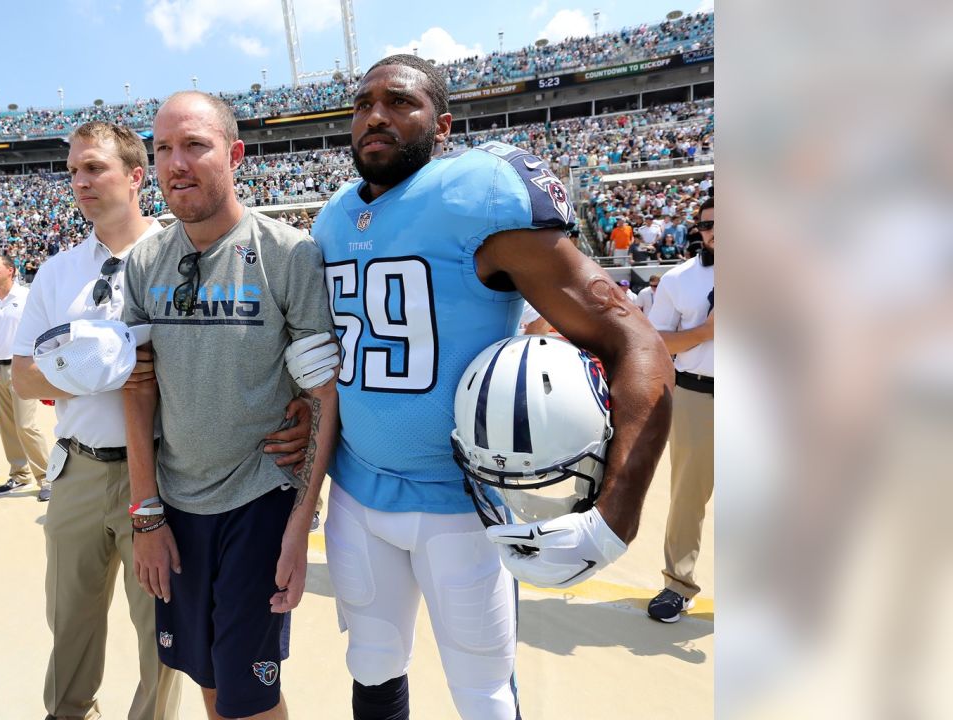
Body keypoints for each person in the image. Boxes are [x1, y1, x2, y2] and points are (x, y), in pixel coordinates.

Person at [304, 54, 674, 719]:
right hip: (357, 494)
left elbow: (635, 343)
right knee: (373, 665)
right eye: (362, 104)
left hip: (464, 509)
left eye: (400, 102)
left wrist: (618, 514)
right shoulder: (330, 218)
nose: (375, 116)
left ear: (441, 126)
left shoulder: (479, 195)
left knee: (483, 695)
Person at [121, 91, 339, 720]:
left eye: (195, 144)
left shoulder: (289, 254)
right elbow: (137, 393)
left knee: (252, 698)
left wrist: (299, 528)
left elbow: (321, 393)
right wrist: (147, 516)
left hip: (259, 502)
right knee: (212, 684)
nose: (176, 163)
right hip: (177, 506)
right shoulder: (144, 261)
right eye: (163, 148)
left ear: (235, 154)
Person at [10, 121, 188, 720]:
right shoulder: (59, 270)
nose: (79, 181)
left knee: (160, 636)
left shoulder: (184, 258)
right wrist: (104, 372)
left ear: (137, 176)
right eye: (74, 171)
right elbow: (24, 377)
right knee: (70, 626)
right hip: (78, 472)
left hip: (163, 472)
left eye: (94, 168)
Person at [645, 196, 715, 623]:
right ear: (699, 229)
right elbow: (656, 344)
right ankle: (677, 584)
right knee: (688, 496)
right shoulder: (678, 279)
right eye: (708, 224)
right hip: (699, 395)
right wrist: (706, 331)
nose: (716, 231)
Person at [0, 254, 53, 499]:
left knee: (26, 425)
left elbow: (44, 331)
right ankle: (19, 474)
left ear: (11, 270)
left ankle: (47, 478)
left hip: (23, 366)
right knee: (7, 426)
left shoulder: (28, 297)